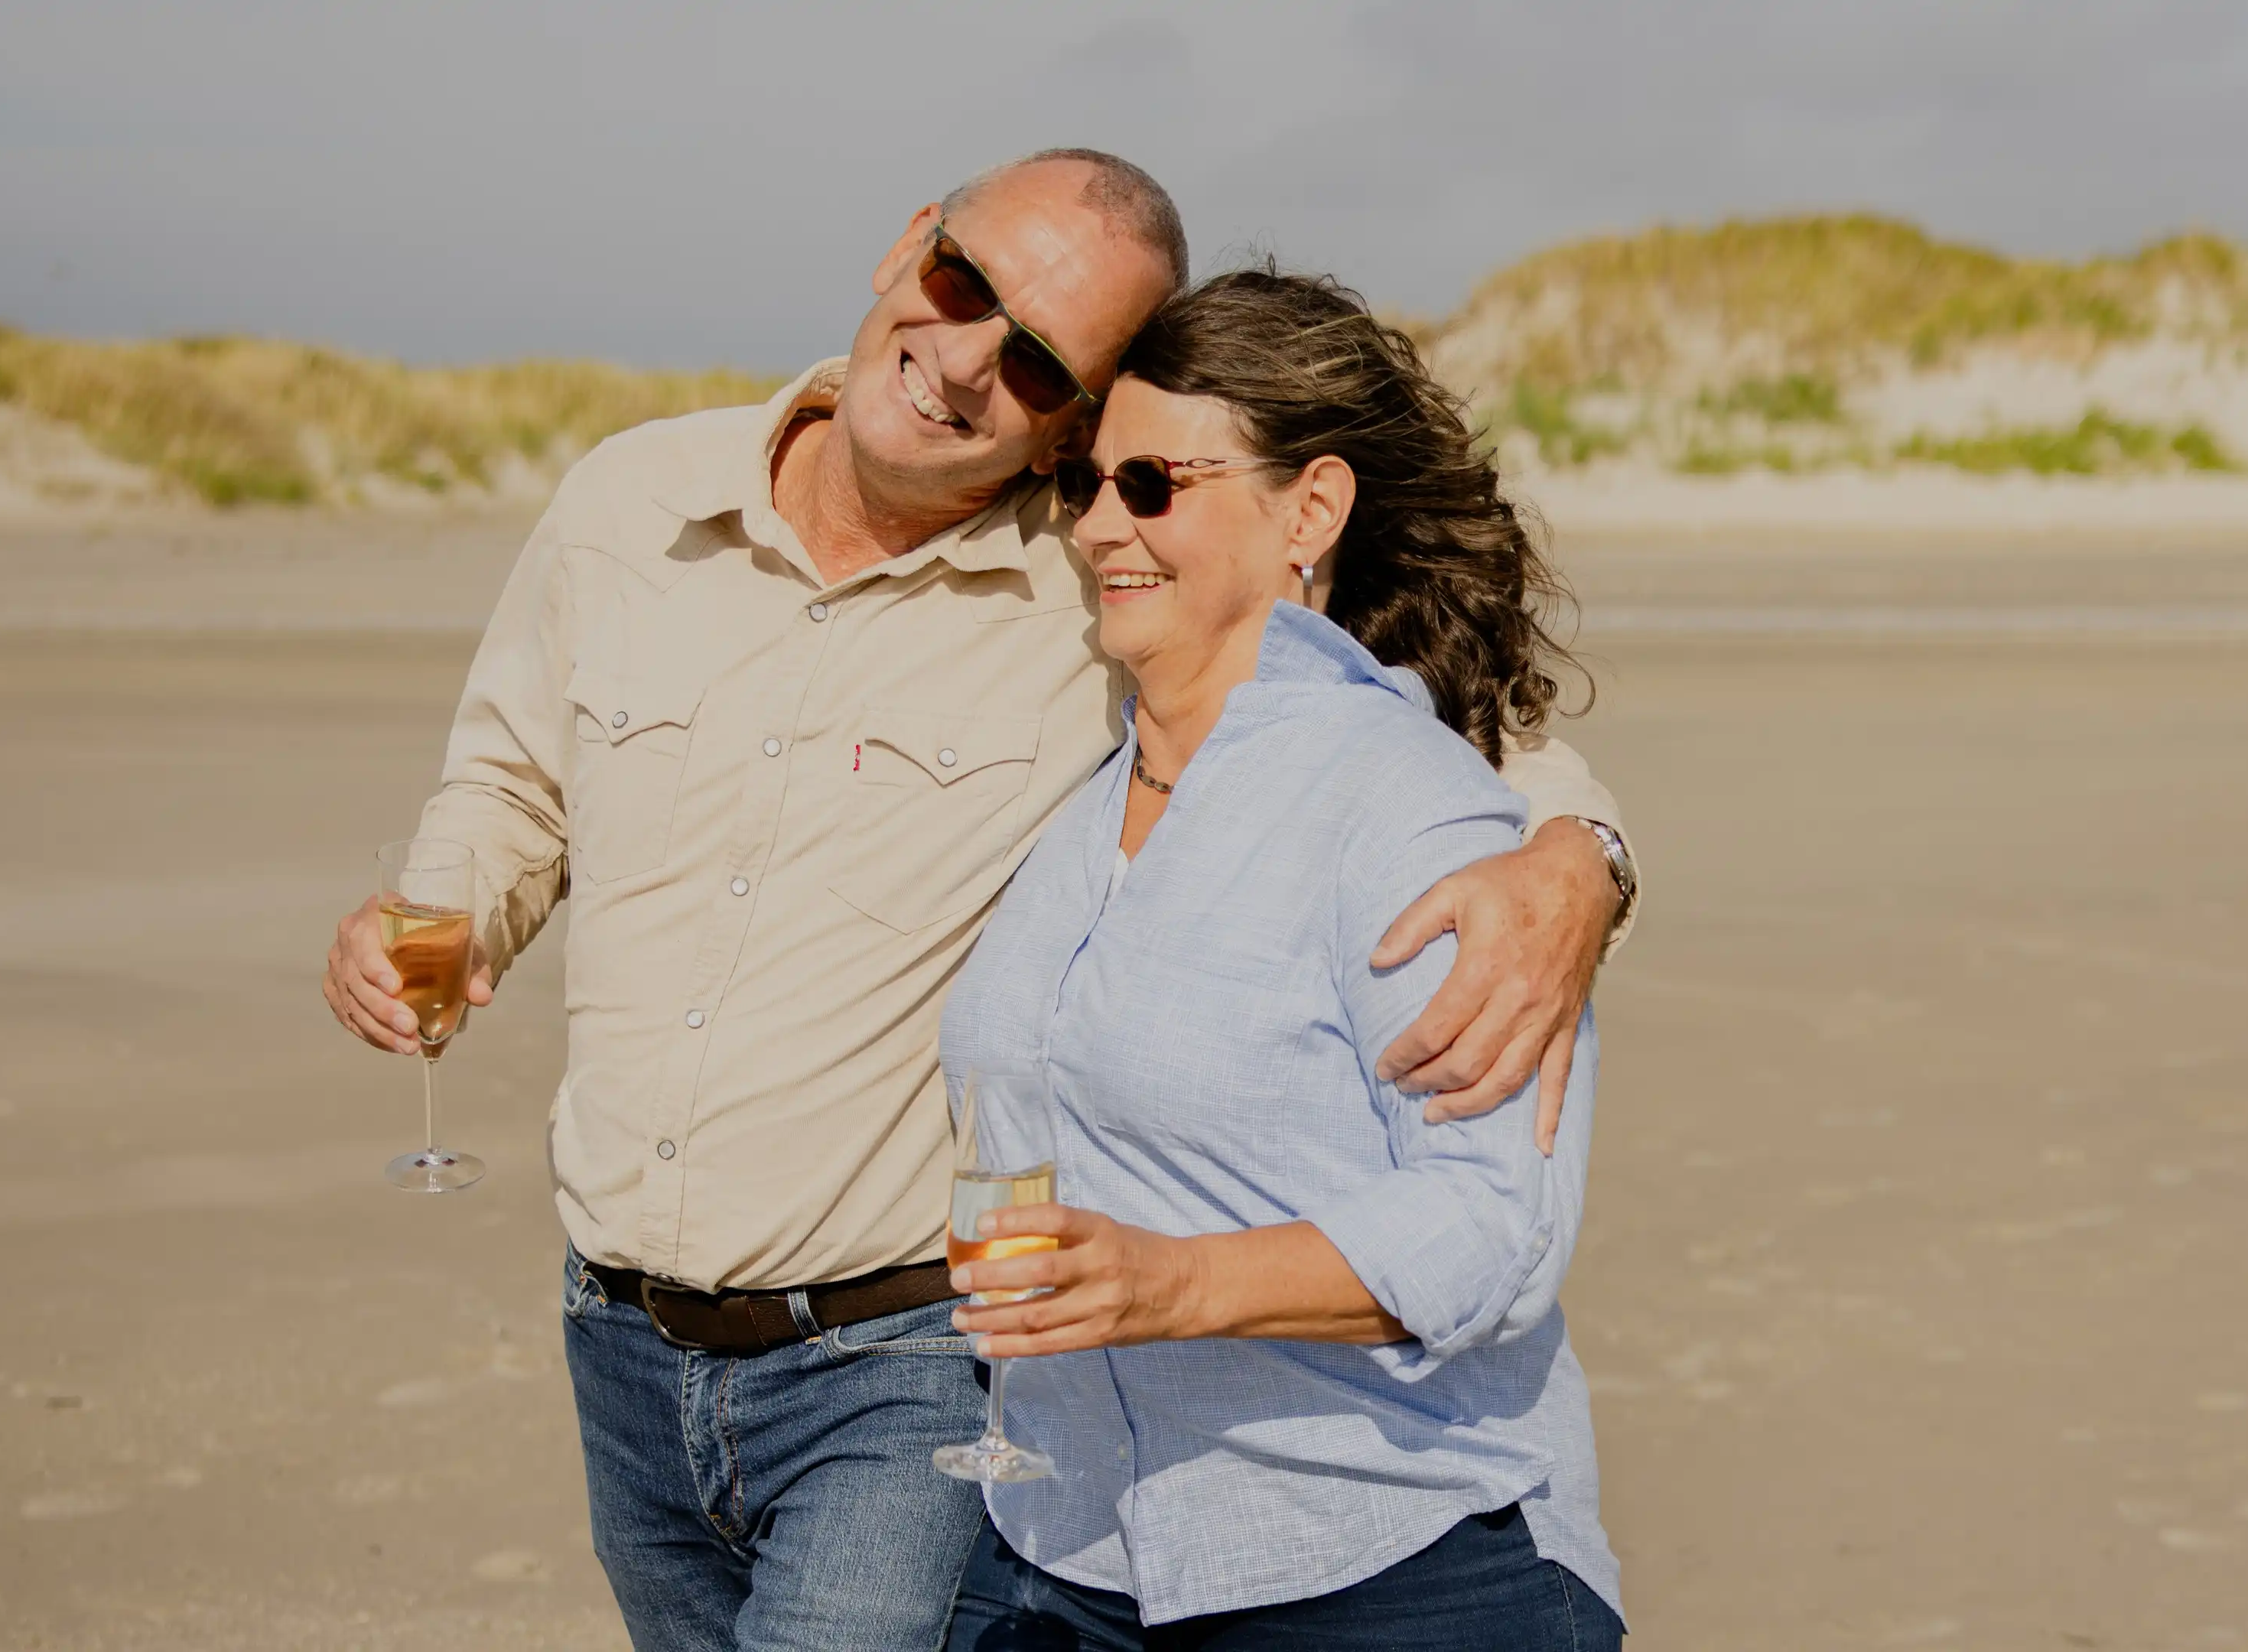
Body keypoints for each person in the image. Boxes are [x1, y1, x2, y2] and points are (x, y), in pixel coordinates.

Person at [317, 152, 1636, 1650]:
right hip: (618, 1344)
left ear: (1067, 421)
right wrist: (436, 915)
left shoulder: (1091, 589)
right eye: (961, 287)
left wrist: (1576, 861)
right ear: (909, 239)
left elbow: (1429, 733)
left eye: (1031, 365)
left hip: (904, 1362)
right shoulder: (627, 501)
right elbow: (510, 782)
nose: (960, 363)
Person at [937, 268, 1623, 1649]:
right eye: (1084, 485)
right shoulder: (1075, 806)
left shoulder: (1408, 807)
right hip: (1060, 1552)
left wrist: (1174, 1286)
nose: (1099, 528)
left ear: (1309, 511)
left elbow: (1498, 1228)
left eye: (1154, 484)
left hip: (1390, 1559)